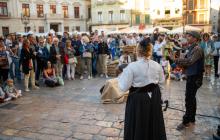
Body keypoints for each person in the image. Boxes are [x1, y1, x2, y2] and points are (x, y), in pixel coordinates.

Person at [118, 38, 166, 140]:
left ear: (138, 51)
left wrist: (121, 75)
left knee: (138, 123)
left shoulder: (131, 67)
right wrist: (160, 98)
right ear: (150, 51)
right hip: (154, 97)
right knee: (153, 122)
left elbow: (123, 87)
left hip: (138, 99)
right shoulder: (157, 65)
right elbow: (162, 84)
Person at [168, 31, 204, 130]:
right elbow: (186, 60)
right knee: (192, 98)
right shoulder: (192, 48)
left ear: (195, 39)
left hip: (195, 77)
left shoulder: (197, 49)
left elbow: (189, 61)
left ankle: (186, 121)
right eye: (187, 35)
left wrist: (175, 59)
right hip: (192, 76)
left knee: (189, 98)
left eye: (190, 36)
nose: (187, 37)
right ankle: (192, 118)